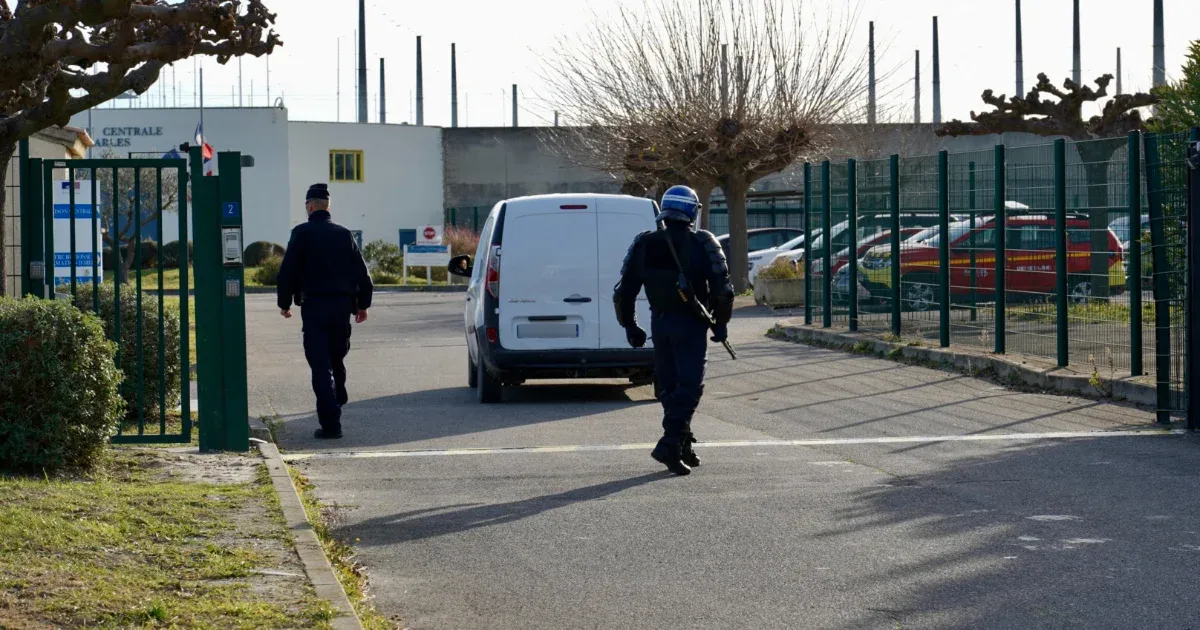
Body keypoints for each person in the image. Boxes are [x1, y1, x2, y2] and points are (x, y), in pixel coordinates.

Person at [613, 185, 735, 475]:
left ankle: (682, 445)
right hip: (691, 324)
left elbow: (623, 292)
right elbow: (724, 290)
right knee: (690, 386)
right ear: (693, 211)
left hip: (660, 323)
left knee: (670, 387)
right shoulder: (703, 242)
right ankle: (669, 443)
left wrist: (630, 325)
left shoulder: (644, 243)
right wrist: (721, 323)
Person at [277, 183, 374, 439]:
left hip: (314, 307)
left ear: (310, 206)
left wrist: (284, 303)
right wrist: (363, 304)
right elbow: (362, 272)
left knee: (320, 365)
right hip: (342, 308)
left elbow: (288, 271)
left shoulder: (301, 233)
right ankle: (337, 396)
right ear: (328, 206)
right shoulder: (344, 234)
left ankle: (331, 424)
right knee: (336, 358)